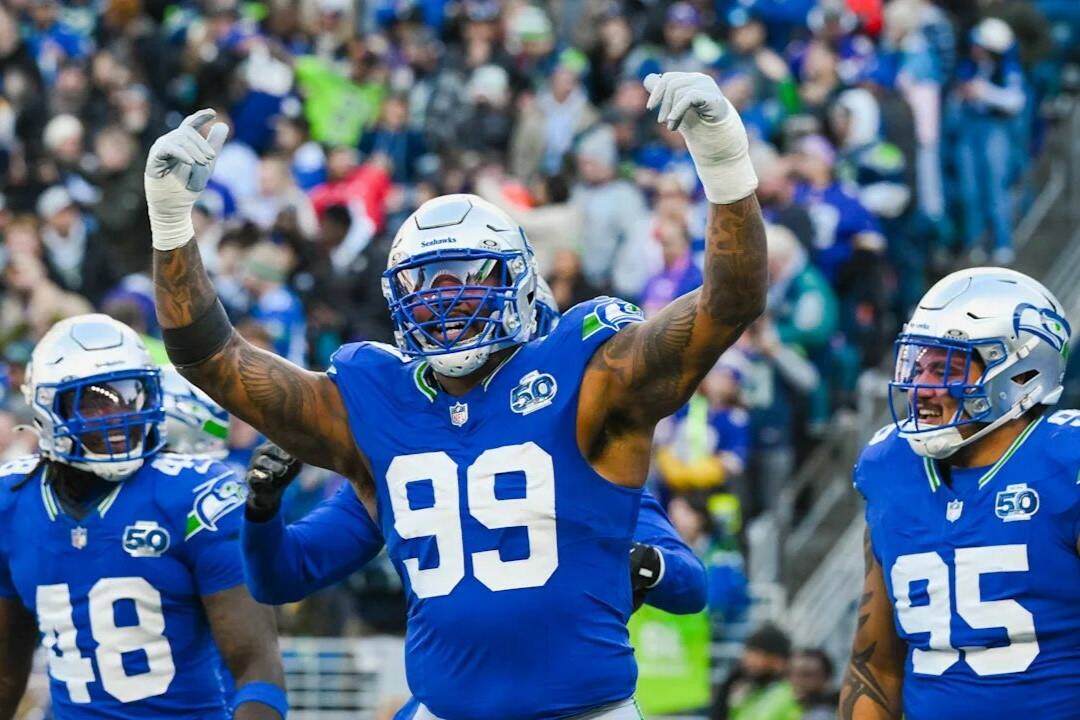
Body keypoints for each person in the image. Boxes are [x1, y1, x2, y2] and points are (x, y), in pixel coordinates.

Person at [146, 71, 766, 719]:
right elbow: (210, 358)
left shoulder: (583, 375)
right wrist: (168, 219)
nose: (445, 304)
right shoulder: (379, 400)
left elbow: (729, 302)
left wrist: (723, 158)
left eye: (467, 282)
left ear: (522, 285)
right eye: (426, 287)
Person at [0, 315, 284, 719]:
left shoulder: (193, 495)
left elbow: (258, 666)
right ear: (49, 408)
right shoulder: (11, 502)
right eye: (95, 400)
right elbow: (7, 673)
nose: (117, 413)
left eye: (129, 394)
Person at [840, 267, 1080, 718]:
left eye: (945, 368)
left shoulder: (1067, 465)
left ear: (1021, 373)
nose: (920, 387)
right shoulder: (890, 467)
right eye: (918, 364)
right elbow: (875, 665)